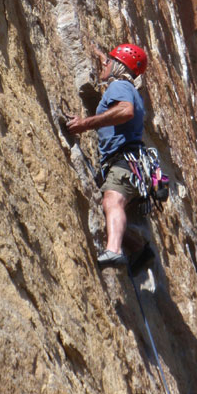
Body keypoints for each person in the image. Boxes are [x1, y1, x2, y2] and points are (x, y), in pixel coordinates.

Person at [66, 43, 148, 269]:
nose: (104, 64)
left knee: (113, 201)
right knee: (109, 205)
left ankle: (113, 250)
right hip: (130, 163)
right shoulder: (130, 87)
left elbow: (124, 110)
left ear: (119, 67)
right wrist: (101, 54)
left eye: (109, 61)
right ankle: (139, 247)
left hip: (124, 161)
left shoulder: (119, 86)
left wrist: (84, 124)